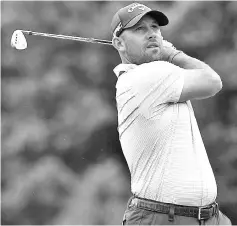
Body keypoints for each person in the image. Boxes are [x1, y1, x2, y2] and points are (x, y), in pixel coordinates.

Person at [111, 2, 231, 225]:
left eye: (154, 27)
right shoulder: (144, 77)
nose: (151, 34)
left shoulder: (159, 76)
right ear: (119, 43)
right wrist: (172, 53)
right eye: (140, 29)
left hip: (208, 217)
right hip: (162, 218)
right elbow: (213, 82)